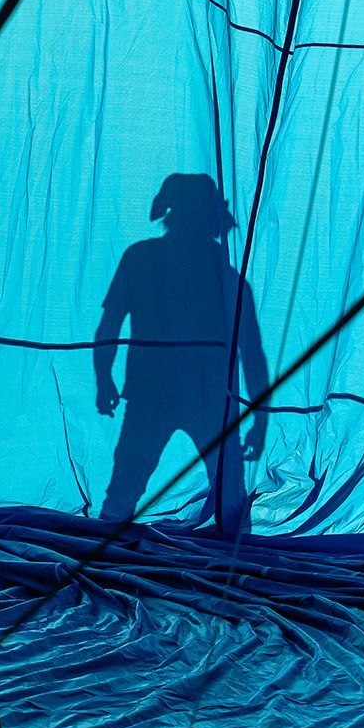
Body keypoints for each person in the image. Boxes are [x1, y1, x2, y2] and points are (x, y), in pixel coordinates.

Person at [94, 173, 269, 534]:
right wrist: (102, 379)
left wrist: (104, 380)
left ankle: (103, 548)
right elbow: (109, 324)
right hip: (171, 399)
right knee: (125, 492)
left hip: (193, 400)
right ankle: (103, 549)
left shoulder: (148, 262)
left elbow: (252, 355)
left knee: (226, 500)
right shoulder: (145, 262)